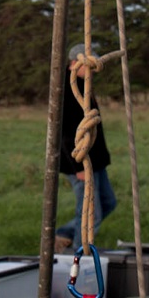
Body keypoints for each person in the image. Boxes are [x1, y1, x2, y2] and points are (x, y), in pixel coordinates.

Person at [56, 43, 116, 251]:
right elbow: (63, 132)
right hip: (80, 162)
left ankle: (63, 234)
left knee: (108, 203)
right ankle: (75, 256)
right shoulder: (65, 88)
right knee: (91, 215)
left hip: (96, 160)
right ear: (74, 63)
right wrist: (78, 166)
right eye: (87, 66)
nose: (91, 71)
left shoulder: (83, 84)